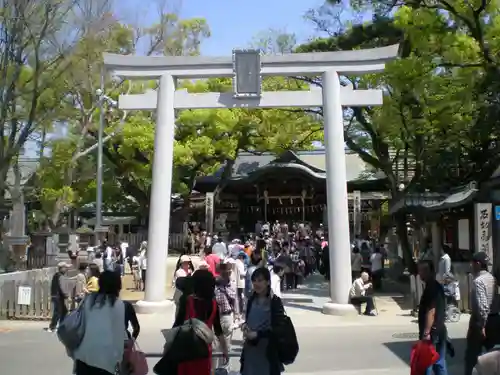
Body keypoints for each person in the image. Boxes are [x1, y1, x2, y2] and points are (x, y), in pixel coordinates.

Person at [173, 269, 229, 375]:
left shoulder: (187, 301)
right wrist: (225, 350)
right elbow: (218, 330)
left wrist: (168, 346)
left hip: (186, 350)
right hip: (204, 351)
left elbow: (177, 325)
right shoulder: (213, 305)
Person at [73, 271, 126, 375]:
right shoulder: (117, 304)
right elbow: (118, 334)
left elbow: (82, 326)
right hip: (104, 360)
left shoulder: (89, 300)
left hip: (83, 355)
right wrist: (119, 358)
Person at [240, 267, 286, 375]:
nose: (256, 283)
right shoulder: (251, 300)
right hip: (250, 351)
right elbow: (248, 320)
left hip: (267, 352)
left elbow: (279, 328)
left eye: (260, 280)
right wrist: (245, 326)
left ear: (268, 282)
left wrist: (258, 334)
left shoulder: (275, 302)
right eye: (254, 281)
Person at [466, 252, 499, 375]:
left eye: (472, 263)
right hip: (495, 319)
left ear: (478, 264)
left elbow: (483, 306)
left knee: (472, 356)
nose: (471, 265)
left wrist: (482, 325)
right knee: (494, 354)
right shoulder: (492, 279)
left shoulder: (478, 281)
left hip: (480, 321)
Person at [417, 259, 448, 375]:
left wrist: (426, 333)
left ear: (430, 271)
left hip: (433, 333)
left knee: (428, 365)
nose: (420, 273)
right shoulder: (436, 286)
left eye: (423, 270)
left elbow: (432, 311)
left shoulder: (431, 288)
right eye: (419, 270)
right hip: (439, 330)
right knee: (439, 363)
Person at [213, 262, 239, 370]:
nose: (227, 274)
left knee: (227, 346)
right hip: (216, 317)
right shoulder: (214, 284)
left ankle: (225, 370)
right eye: (225, 272)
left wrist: (237, 315)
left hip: (228, 316)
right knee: (215, 346)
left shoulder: (231, 284)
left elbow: (235, 300)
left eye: (228, 272)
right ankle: (214, 370)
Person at [48, 262, 70, 332]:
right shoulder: (60, 276)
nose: (67, 269)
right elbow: (62, 287)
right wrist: (66, 295)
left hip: (56, 296)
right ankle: (52, 327)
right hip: (58, 296)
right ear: (62, 268)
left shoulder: (57, 275)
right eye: (65, 268)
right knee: (58, 312)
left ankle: (60, 326)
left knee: (64, 311)